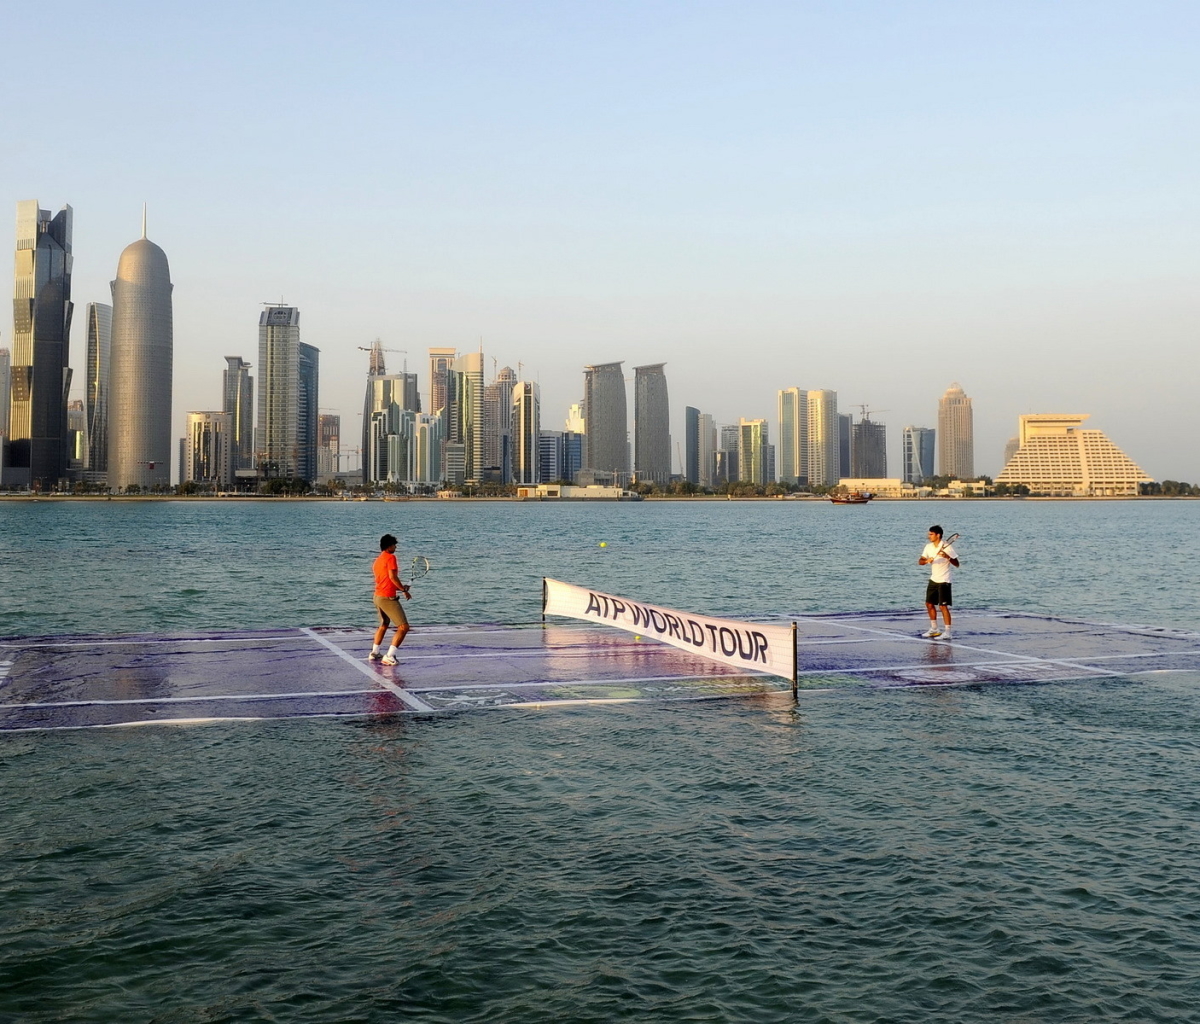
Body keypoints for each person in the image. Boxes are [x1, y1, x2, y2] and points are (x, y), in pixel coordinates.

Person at [370, 534, 411, 665]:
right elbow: (392, 577)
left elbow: (386, 580)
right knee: (404, 627)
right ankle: (389, 656)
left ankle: (375, 652)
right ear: (389, 546)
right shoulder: (391, 557)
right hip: (387, 598)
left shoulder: (378, 560)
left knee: (384, 624)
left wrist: (400, 587)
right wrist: (404, 590)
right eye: (394, 545)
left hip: (377, 596)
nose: (396, 547)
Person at [918, 525, 959, 640]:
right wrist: (927, 560)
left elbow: (957, 564)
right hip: (933, 580)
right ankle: (934, 629)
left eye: (931, 534)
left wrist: (948, 557)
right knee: (929, 604)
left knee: (943, 606)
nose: (929, 536)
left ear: (938, 535)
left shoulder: (947, 547)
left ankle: (947, 632)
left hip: (944, 580)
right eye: (929, 534)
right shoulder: (928, 547)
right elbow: (920, 561)